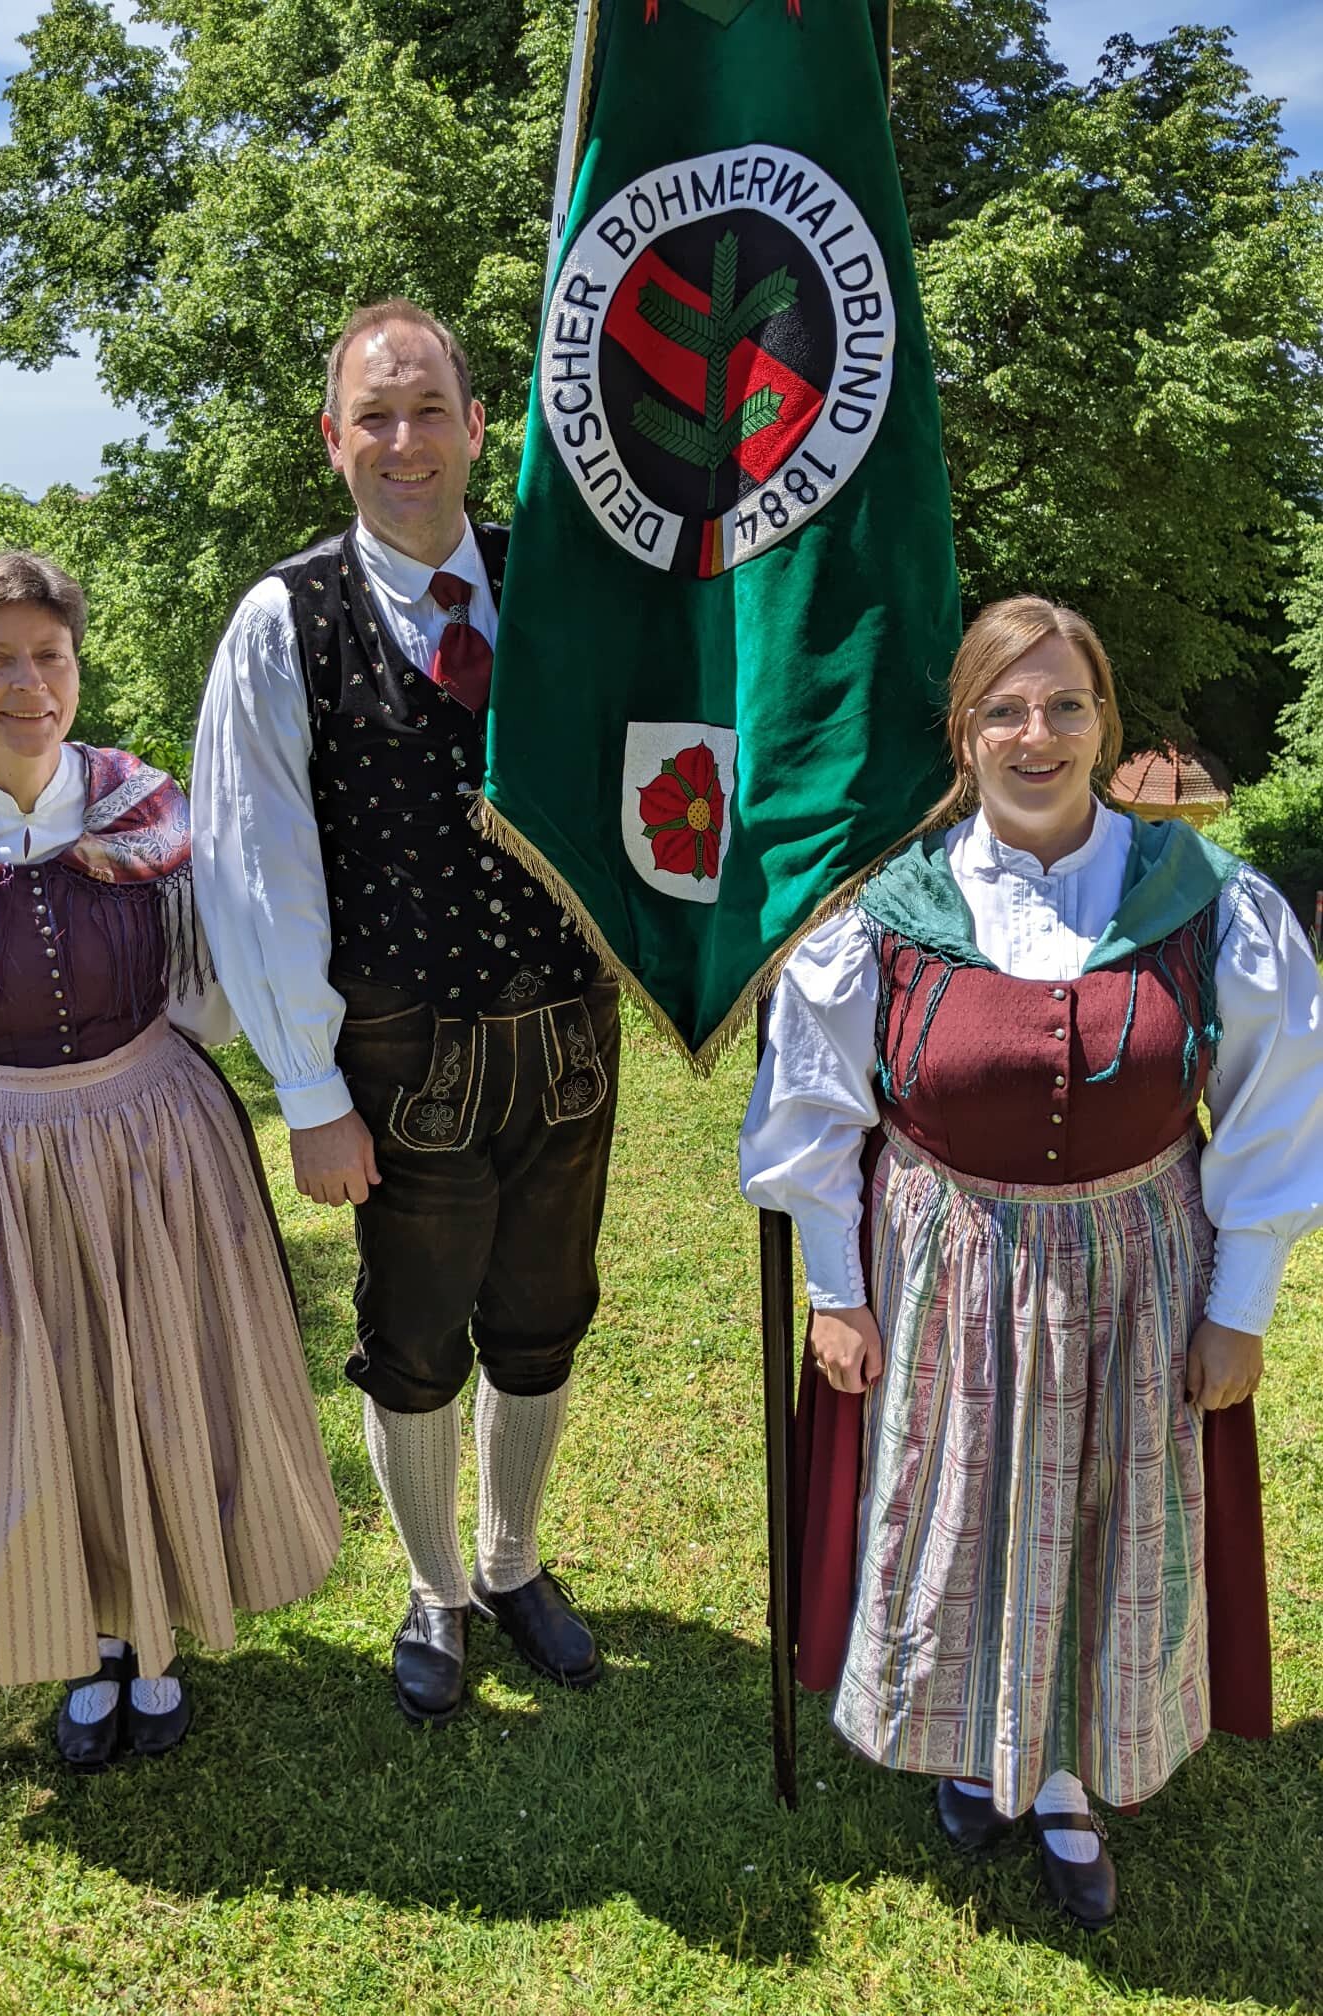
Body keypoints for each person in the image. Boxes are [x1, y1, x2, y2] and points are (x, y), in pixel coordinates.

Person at [740, 596, 1323, 1929]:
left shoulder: (1205, 901)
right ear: (964, 733)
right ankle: (967, 1742)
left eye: (1066, 704)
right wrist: (834, 1286)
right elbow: (818, 1101)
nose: (1036, 732)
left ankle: (1065, 1776)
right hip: (944, 1266)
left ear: (1107, 723)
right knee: (955, 1506)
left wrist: (1240, 1308)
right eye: (1005, 707)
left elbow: (1280, 1101)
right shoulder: (890, 906)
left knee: (1106, 1508)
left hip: (1136, 1267)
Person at [0, 550, 341, 1769]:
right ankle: (92, 1642)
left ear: (75, 667)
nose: (27, 681)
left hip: (152, 1140)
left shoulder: (150, 810)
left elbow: (213, 993)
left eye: (47, 654)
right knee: (27, 1390)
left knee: (160, 1373)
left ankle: (156, 1640)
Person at [191, 300, 619, 1728]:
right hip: (398, 1055)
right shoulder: (285, 619)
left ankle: (512, 1563)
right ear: (333, 441)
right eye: (374, 414)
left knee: (545, 1317)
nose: (403, 439)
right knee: (419, 1333)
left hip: (566, 1035)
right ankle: (434, 1582)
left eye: (428, 407)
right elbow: (256, 860)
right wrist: (307, 1088)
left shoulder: (555, 586)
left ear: (477, 426)